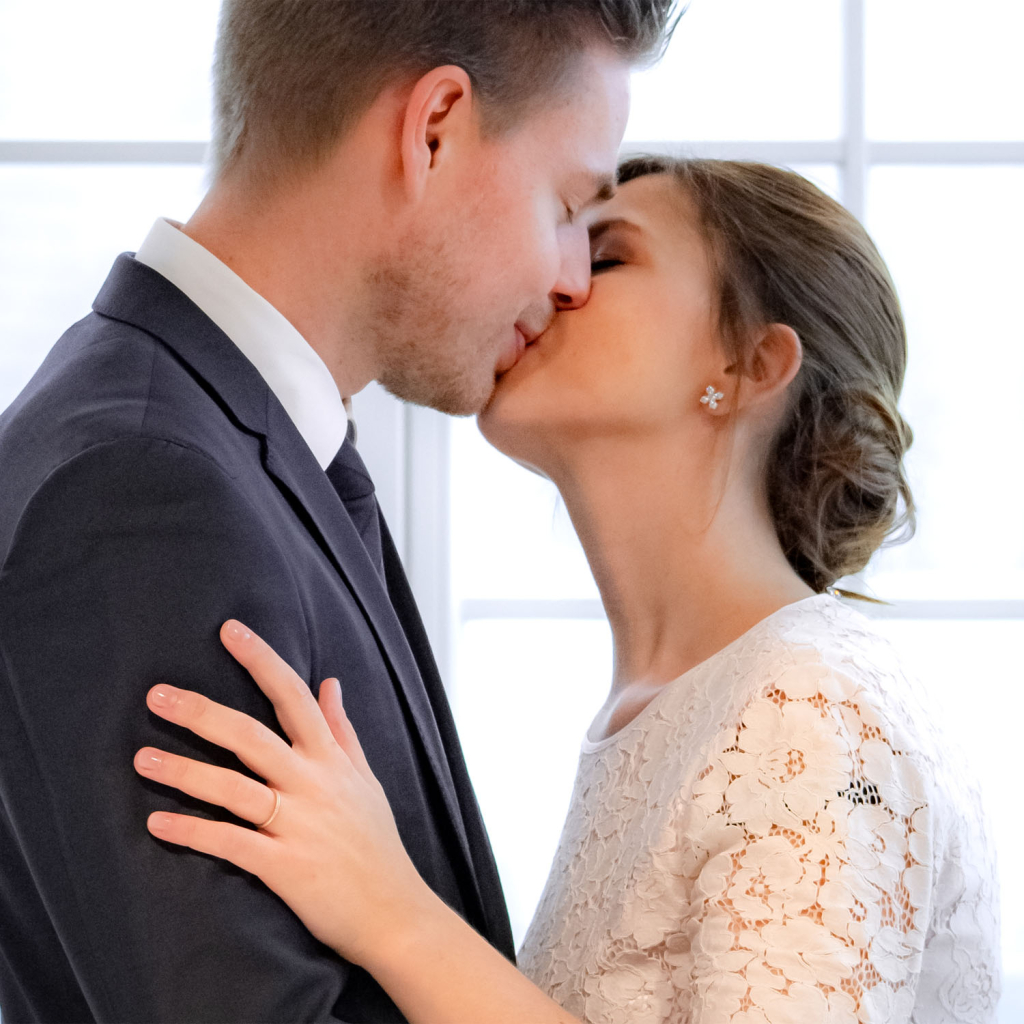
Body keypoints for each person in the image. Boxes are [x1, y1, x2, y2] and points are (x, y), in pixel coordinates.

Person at [134, 158, 1001, 1024]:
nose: (554, 277)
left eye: (609, 255)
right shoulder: (667, 711)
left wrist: (389, 912)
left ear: (748, 366)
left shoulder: (813, 709)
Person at [0, 2, 678, 1021]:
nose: (568, 274)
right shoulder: (144, 492)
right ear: (434, 129)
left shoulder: (233, 447)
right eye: (565, 205)